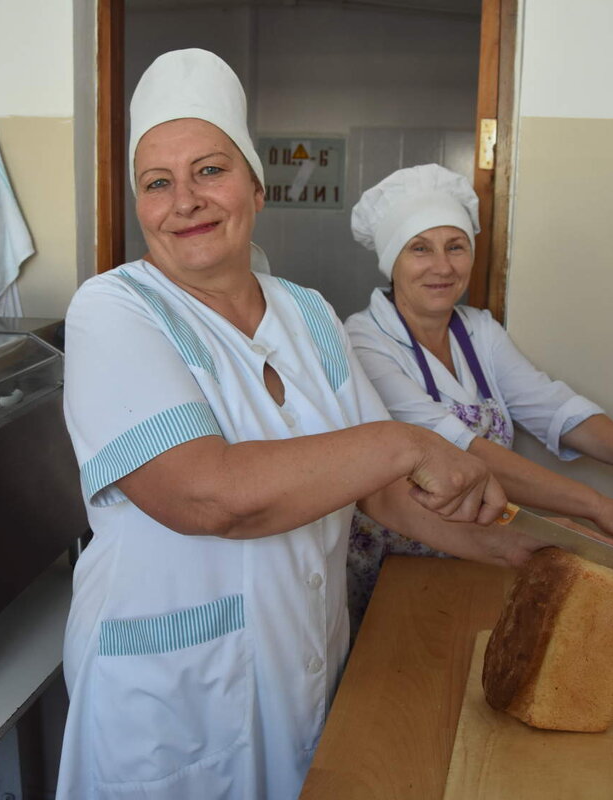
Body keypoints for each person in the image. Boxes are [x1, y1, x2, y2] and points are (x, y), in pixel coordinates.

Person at [57, 52, 547, 800]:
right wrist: (407, 442)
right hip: (172, 696)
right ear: (138, 206)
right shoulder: (112, 310)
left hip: (302, 671)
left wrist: (521, 551)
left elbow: (385, 496)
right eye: (158, 183)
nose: (184, 200)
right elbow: (209, 496)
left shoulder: (309, 312)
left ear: (256, 185)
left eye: (209, 171)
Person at [344, 164, 613, 630]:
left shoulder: (478, 330)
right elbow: (459, 454)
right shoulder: (363, 342)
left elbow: (558, 409)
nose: (442, 266)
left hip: (487, 553)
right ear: (392, 261)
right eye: (420, 249)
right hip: (398, 567)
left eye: (456, 247)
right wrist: (604, 510)